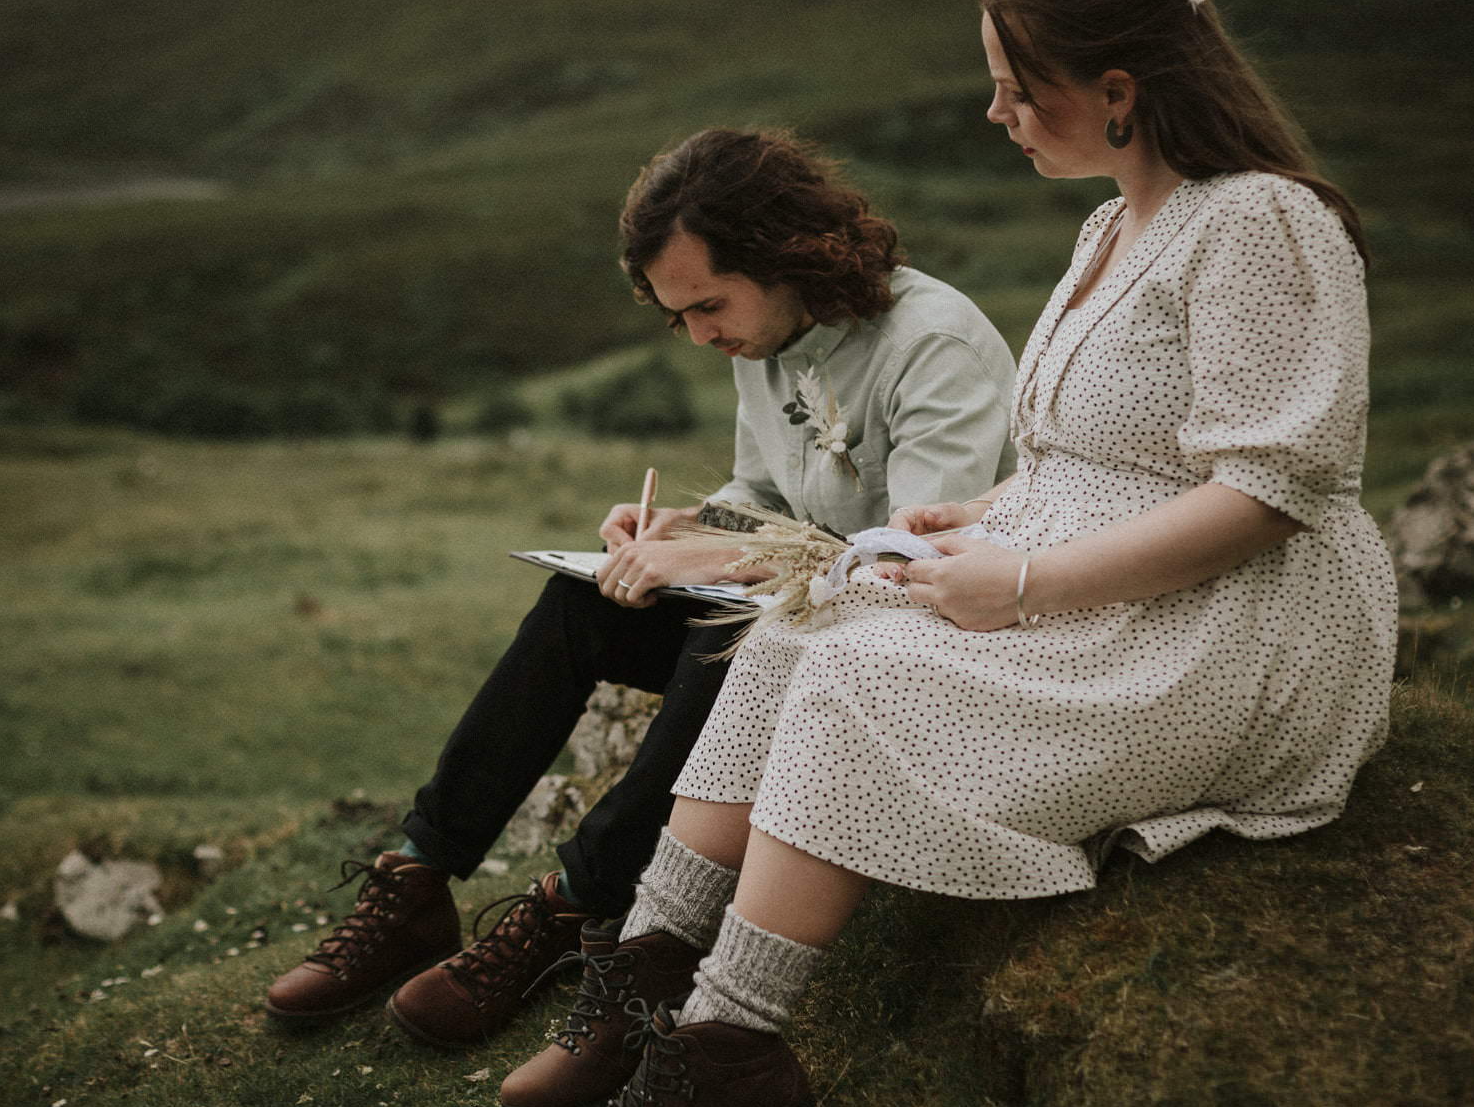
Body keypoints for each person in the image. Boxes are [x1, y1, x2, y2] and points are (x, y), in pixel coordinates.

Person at [515, 0, 1399, 1107]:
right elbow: (1102, 454)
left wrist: (1025, 579)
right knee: (799, 622)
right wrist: (985, 515)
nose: (995, 114)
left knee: (861, 673)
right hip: (1110, 573)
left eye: (1015, 89)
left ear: (1116, 89)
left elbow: (1265, 494)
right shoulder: (1111, 225)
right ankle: (649, 966)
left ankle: (733, 1042)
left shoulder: (1261, 220)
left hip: (1236, 625)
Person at [264, 127, 1019, 1049]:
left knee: (724, 642)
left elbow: (908, 564)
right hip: (808, 613)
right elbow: (763, 497)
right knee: (579, 604)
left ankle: (573, 904)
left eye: (708, 305)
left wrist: (715, 560)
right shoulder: (766, 336)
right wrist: (685, 528)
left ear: (787, 255)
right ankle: (420, 874)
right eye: (677, 317)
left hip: (915, 648)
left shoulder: (931, 342)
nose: (700, 335)